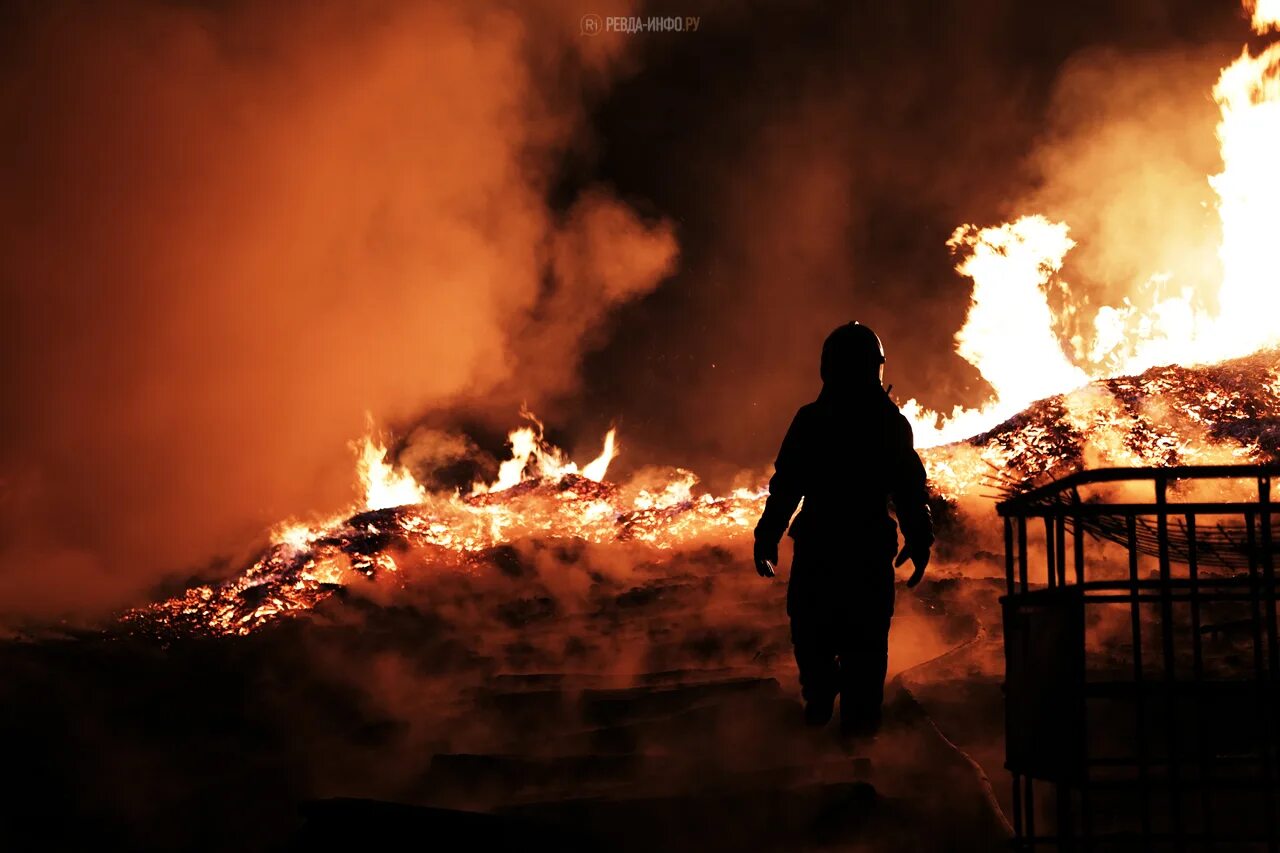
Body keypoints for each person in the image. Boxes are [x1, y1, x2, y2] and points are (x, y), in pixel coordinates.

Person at [753, 321, 933, 737]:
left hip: (826, 546)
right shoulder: (882, 422)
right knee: (850, 646)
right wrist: (919, 537)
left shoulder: (818, 420)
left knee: (828, 638)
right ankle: (842, 721)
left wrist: (768, 534)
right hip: (861, 549)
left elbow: (787, 486)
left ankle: (842, 720)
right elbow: (908, 488)